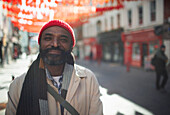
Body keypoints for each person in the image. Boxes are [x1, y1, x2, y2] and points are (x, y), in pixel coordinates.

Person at [5, 19, 103, 115]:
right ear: (40, 44)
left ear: (71, 47)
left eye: (63, 40)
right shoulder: (19, 85)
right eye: (48, 38)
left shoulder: (88, 80)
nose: (55, 44)